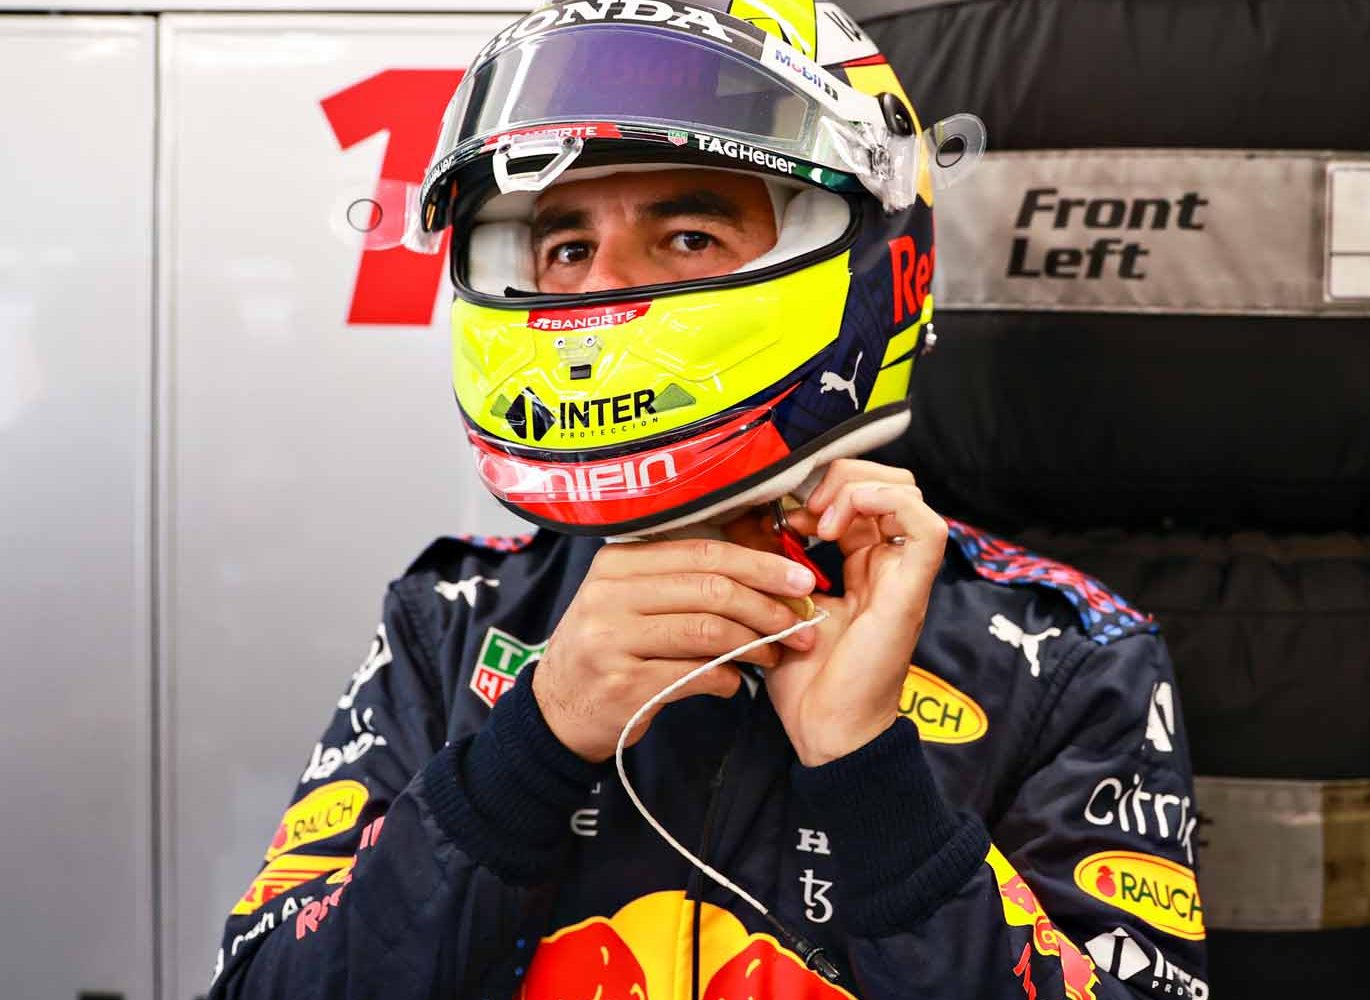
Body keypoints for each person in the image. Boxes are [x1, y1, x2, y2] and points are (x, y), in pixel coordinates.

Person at [209, 3, 1206, 998]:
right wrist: (533, 745)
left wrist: (873, 776)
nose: (600, 287)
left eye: (686, 233)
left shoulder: (1070, 654)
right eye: (563, 246)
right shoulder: (450, 622)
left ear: (871, 255)